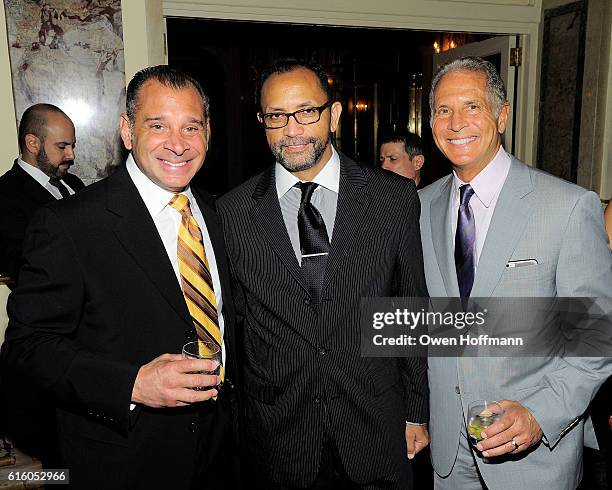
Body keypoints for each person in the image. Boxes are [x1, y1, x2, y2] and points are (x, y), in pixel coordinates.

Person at [1, 66, 237, 490]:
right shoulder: (69, 224)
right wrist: (133, 383)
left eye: (191, 127)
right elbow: (26, 348)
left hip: (222, 454)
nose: (178, 144)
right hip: (125, 461)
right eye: (158, 126)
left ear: (208, 134)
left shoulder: (221, 214)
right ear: (128, 132)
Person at [217, 58, 429, 489]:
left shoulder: (394, 199)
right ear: (262, 122)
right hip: (278, 438)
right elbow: (235, 327)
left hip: (376, 429)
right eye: (276, 116)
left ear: (333, 115)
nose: (291, 129)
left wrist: (416, 412)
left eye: (306, 111)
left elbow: (411, 308)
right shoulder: (233, 211)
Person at [419, 56, 612, 489]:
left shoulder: (567, 207)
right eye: (443, 111)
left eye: (472, 107)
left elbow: (598, 338)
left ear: (502, 115)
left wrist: (541, 414)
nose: (456, 123)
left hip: (533, 460)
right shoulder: (420, 207)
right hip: (448, 453)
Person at [0, 103, 84, 285]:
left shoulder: (74, 183)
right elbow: (25, 271)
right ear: (32, 143)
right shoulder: (5, 194)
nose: (71, 155)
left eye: (72, 145)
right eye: (62, 147)